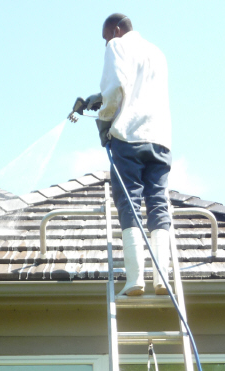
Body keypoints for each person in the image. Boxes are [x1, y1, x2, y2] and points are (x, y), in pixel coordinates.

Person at [81, 13, 172, 296]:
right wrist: (97, 99)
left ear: (116, 29)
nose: (105, 42)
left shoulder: (117, 46)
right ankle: (161, 278)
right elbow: (136, 90)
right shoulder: (157, 52)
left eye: (106, 36)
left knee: (129, 202)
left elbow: (116, 87)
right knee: (158, 203)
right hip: (159, 139)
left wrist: (105, 122)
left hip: (128, 136)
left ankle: (135, 279)